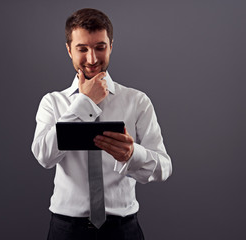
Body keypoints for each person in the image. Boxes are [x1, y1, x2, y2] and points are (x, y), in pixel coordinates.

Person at [31, 8, 172, 240]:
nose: (92, 59)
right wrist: (85, 102)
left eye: (100, 47)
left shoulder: (137, 101)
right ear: (69, 50)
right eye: (82, 49)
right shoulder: (52, 102)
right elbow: (44, 156)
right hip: (66, 229)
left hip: (123, 228)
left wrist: (131, 154)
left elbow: (164, 168)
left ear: (111, 46)